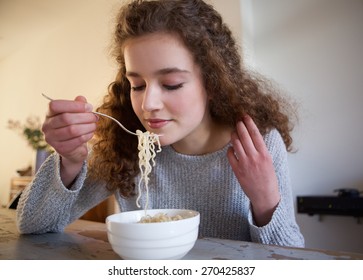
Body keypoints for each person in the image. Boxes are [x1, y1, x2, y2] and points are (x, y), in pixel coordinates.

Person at [16, 0, 304, 247]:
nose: (148, 104)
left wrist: (266, 203)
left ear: (213, 83)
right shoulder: (125, 144)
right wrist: (69, 162)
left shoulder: (258, 144)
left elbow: (291, 259)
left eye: (171, 84)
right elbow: (32, 225)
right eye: (138, 85)